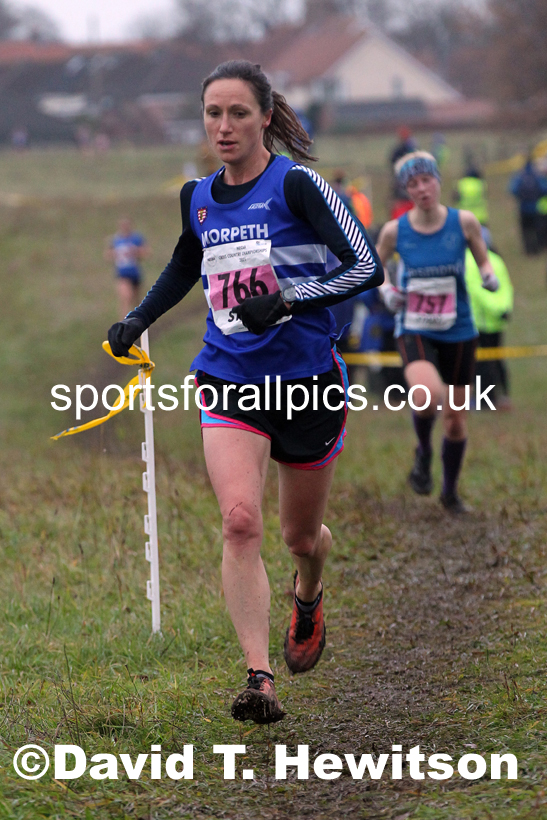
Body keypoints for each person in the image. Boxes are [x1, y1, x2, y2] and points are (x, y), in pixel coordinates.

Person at [107, 61, 383, 724]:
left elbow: (364, 264)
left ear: (265, 116)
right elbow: (185, 259)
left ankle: (308, 595)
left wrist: (287, 299)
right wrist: (141, 317)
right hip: (227, 377)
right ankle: (258, 677)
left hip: (306, 384)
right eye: (212, 114)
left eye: (236, 113)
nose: (223, 127)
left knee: (299, 537)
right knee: (239, 521)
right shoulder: (197, 195)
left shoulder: (297, 186)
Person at [376, 151, 499, 513]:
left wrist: (488, 275)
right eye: (413, 184)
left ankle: (449, 492)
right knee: (427, 394)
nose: (422, 188)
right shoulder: (395, 230)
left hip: (459, 328)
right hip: (414, 326)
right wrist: (386, 291)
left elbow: (482, 255)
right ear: (406, 190)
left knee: (457, 420)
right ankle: (424, 450)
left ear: (438, 181)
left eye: (427, 180)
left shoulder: (464, 222)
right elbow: (375, 265)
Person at [464, 246, 514, 410]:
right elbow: (506, 287)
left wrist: (493, 309)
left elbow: (476, 291)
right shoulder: (495, 259)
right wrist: (503, 309)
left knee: (481, 363)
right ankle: (501, 396)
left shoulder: (468, 261)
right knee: (496, 360)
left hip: (478, 322)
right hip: (498, 319)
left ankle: (485, 401)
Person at [105, 218, 150, 319]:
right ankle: (124, 324)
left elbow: (146, 252)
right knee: (126, 298)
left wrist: (135, 251)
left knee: (137, 301)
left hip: (135, 273)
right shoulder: (115, 240)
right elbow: (107, 255)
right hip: (122, 274)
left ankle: (139, 324)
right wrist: (116, 253)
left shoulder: (136, 238)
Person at [509, 157, 547, 255]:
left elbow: (512, 189)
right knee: (536, 230)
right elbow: (543, 189)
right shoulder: (536, 176)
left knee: (526, 231)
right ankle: (536, 248)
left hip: (523, 209)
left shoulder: (520, 176)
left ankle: (528, 250)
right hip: (535, 209)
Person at [454, 162, 490, 244]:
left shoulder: (461, 184)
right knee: (483, 241)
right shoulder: (481, 184)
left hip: (464, 217)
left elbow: (455, 198)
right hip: (481, 217)